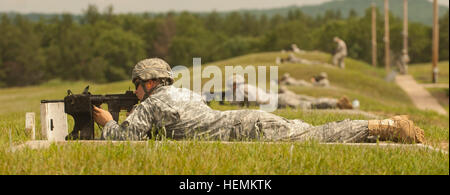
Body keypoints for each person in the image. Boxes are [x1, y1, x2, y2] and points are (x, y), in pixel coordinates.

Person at [93, 58, 425, 144]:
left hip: (248, 129)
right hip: (248, 122)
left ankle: (385, 126)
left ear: (149, 82)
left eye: (137, 85)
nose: (135, 91)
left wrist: (108, 123)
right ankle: (377, 129)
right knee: (311, 133)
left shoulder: (152, 103)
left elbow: (124, 140)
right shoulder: (184, 92)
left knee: (315, 136)